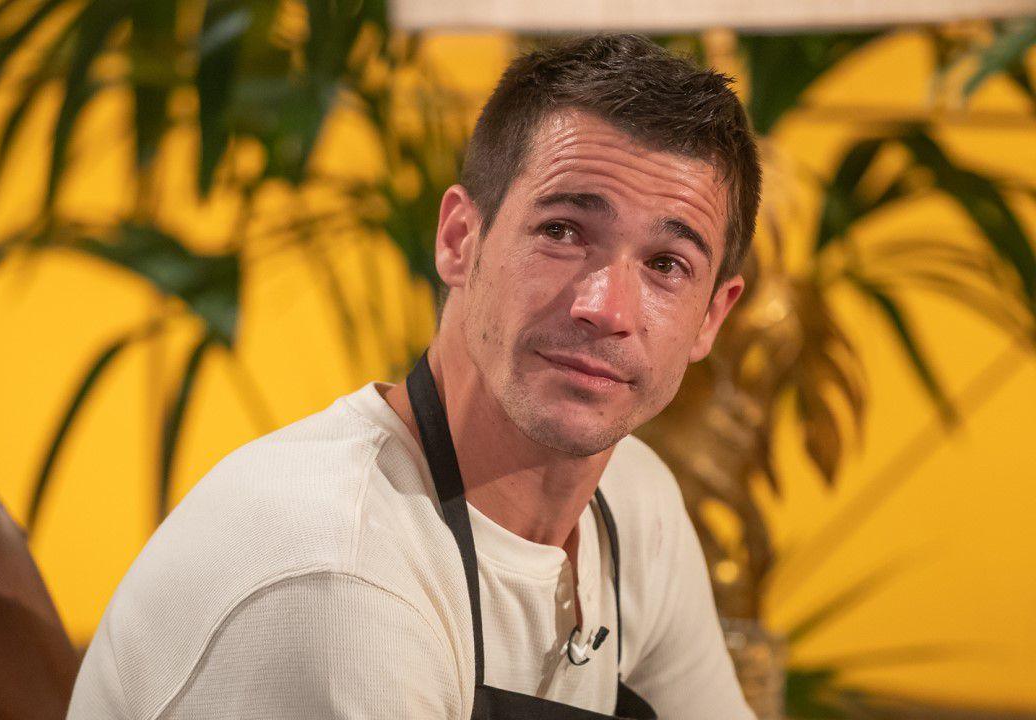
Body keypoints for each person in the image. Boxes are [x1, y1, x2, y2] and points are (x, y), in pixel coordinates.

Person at [68, 33, 760, 720]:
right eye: (562, 231)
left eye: (666, 265)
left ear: (711, 317)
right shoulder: (339, 578)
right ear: (459, 239)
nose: (606, 308)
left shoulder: (634, 505)